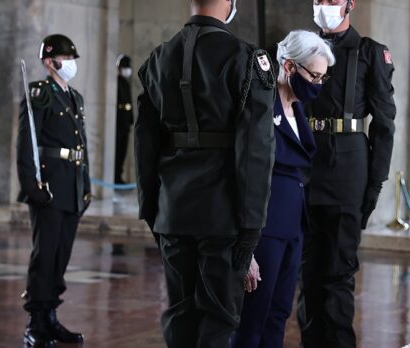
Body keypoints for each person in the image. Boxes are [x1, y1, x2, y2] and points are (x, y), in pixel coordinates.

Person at [134, 0, 276, 347]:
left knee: (181, 316)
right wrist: (251, 226)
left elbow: (145, 144)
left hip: (173, 210)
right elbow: (255, 152)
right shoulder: (245, 58)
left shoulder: (159, 57)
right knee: (218, 319)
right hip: (223, 214)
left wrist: (151, 209)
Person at [299, 1, 396, 347]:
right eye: (318, 0)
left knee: (338, 276)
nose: (324, 6)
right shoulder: (300, 48)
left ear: (350, 4)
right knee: (308, 275)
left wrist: (375, 183)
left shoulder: (370, 53)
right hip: (305, 167)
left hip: (348, 171)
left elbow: (384, 126)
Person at [232, 30, 335, 348]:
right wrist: (245, 247)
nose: (317, 84)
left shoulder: (298, 108)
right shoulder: (261, 105)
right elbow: (241, 171)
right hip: (264, 228)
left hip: (292, 228)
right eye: (314, 75)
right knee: (252, 318)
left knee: (278, 315)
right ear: (289, 66)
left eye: (322, 78)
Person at [16, 34, 90, 347]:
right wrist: (32, 187)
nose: (71, 64)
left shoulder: (74, 97)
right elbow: (26, 144)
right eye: (65, 58)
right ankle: (35, 323)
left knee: (60, 257)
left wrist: (85, 186)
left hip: (71, 187)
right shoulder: (40, 93)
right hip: (48, 187)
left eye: (72, 59)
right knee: (44, 256)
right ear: (50, 61)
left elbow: (81, 146)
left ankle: (50, 318)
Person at [115, 54, 133, 184]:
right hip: (119, 121)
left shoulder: (126, 83)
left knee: (123, 150)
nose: (127, 69)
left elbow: (129, 103)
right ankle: (115, 176)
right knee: (117, 150)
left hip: (125, 121)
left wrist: (131, 118)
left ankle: (119, 175)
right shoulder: (117, 82)